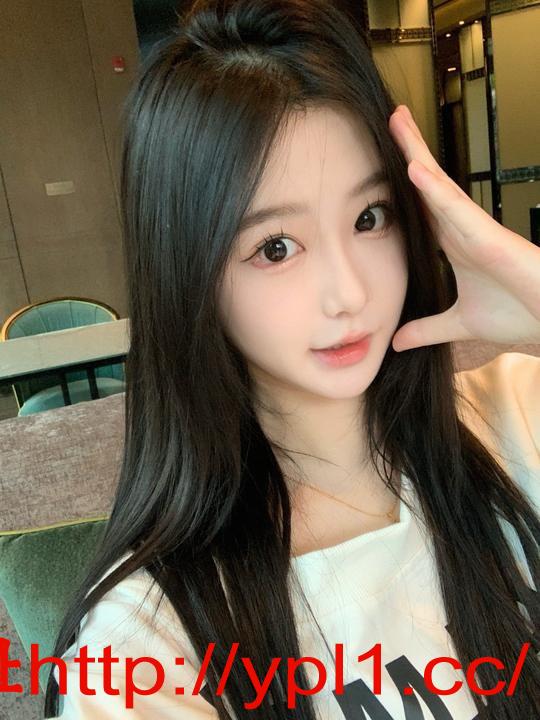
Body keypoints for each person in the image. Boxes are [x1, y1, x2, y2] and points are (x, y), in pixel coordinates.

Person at [44, 0, 540, 718]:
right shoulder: (144, 648)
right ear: (187, 274)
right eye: (275, 247)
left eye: (369, 217)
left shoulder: (514, 413)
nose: (349, 293)